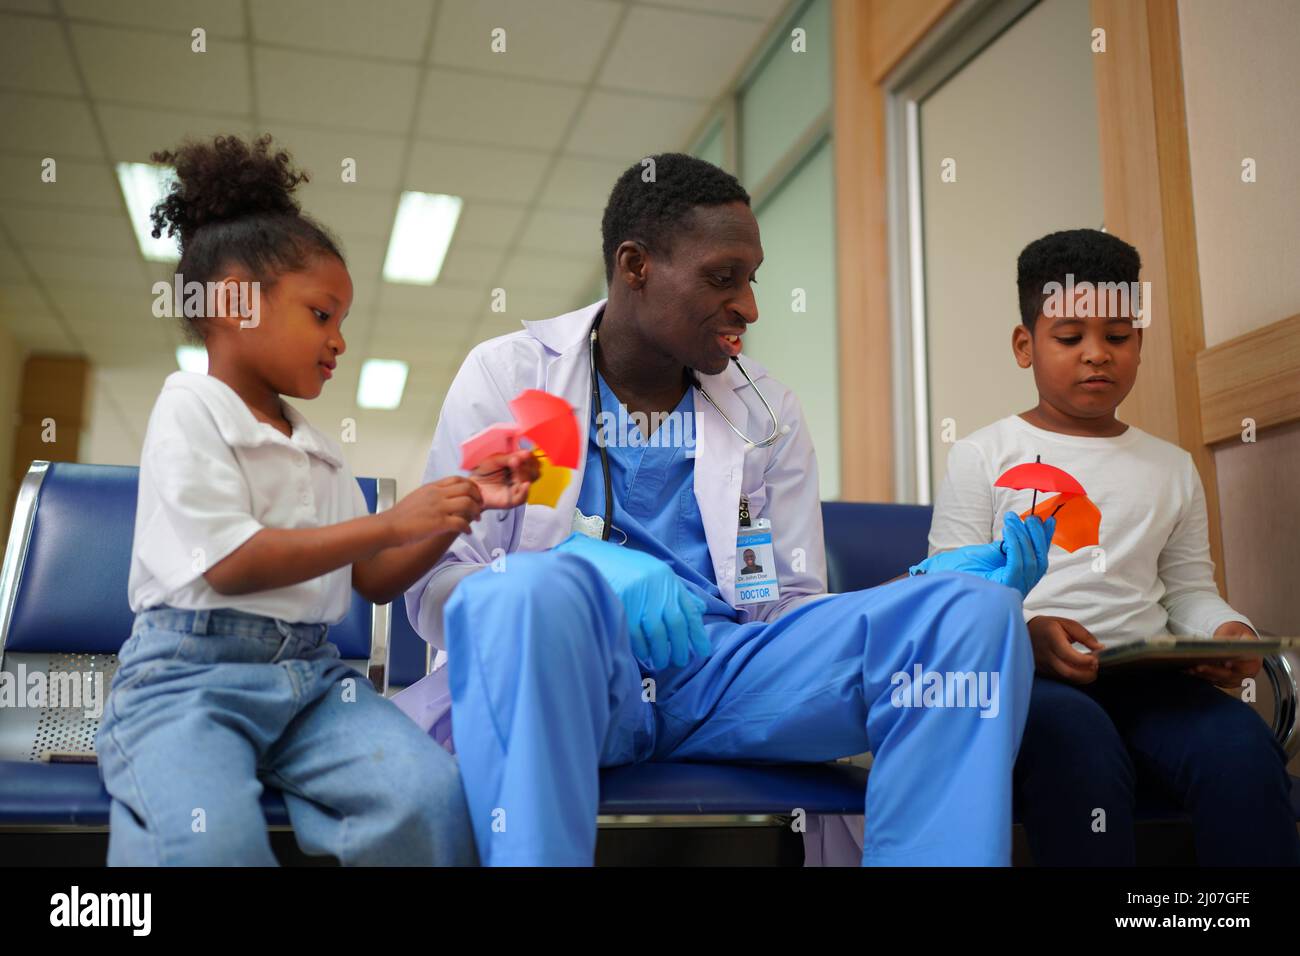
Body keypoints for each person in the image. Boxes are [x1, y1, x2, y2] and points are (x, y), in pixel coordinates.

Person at [398, 153, 1054, 867]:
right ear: (635, 265)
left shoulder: (767, 408)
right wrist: (566, 572)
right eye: (723, 277)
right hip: (574, 676)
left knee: (970, 617)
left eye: (752, 278)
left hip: (728, 677)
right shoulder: (511, 374)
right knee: (528, 593)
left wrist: (926, 587)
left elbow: (787, 608)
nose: (749, 305)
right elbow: (435, 591)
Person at [97, 134, 536, 866]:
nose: (338, 342)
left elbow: (371, 580)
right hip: (188, 680)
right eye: (322, 315)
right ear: (234, 300)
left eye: (342, 323)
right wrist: (389, 521)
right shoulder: (191, 411)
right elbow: (232, 564)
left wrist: (457, 510)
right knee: (213, 845)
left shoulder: (317, 446)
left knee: (427, 798)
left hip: (311, 682)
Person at [815, 228, 1300, 866]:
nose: (1097, 355)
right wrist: (1027, 633)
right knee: (1079, 744)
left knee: (1239, 747)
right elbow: (948, 594)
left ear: (1139, 343)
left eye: (1118, 337)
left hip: (1150, 685)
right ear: (1026, 346)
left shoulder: (1172, 466)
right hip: (1030, 683)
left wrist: (1228, 629)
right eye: (1070, 338)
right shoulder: (985, 455)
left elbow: (1188, 591)